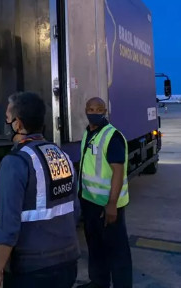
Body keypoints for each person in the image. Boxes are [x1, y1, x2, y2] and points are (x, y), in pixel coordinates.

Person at [0, 92, 79, 288]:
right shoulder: (62, 155)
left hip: (32, 269)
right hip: (68, 262)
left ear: (18, 124)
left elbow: (8, 225)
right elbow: (74, 210)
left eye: (8, 118)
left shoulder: (15, 162)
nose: (6, 123)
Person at [77, 97, 132, 288]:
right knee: (95, 246)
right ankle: (98, 282)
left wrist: (112, 204)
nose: (94, 113)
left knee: (117, 251)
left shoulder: (112, 136)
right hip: (90, 202)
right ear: (86, 110)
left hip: (107, 205)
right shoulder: (88, 133)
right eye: (91, 109)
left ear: (105, 111)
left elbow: (118, 171)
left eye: (99, 109)